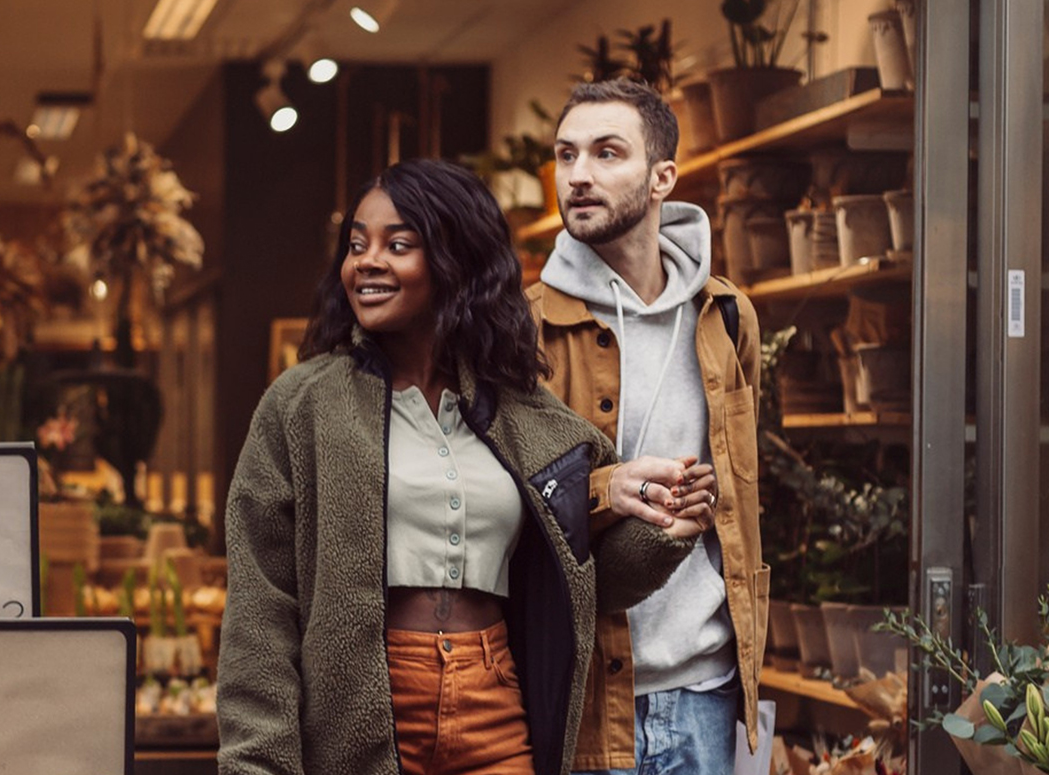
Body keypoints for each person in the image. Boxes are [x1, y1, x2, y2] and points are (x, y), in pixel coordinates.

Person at [217, 158, 703, 775]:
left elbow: (578, 585)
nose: (367, 262)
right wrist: (256, 764)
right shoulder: (302, 406)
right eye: (357, 246)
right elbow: (260, 612)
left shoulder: (528, 414)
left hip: (492, 703)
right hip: (359, 714)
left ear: (456, 261)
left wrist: (665, 533)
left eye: (397, 245)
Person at [525, 79, 767, 775]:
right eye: (566, 155)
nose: (579, 175)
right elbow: (494, 506)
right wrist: (606, 489)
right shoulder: (524, 327)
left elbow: (743, 504)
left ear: (663, 177)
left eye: (607, 153)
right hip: (581, 700)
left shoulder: (727, 317)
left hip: (707, 691)